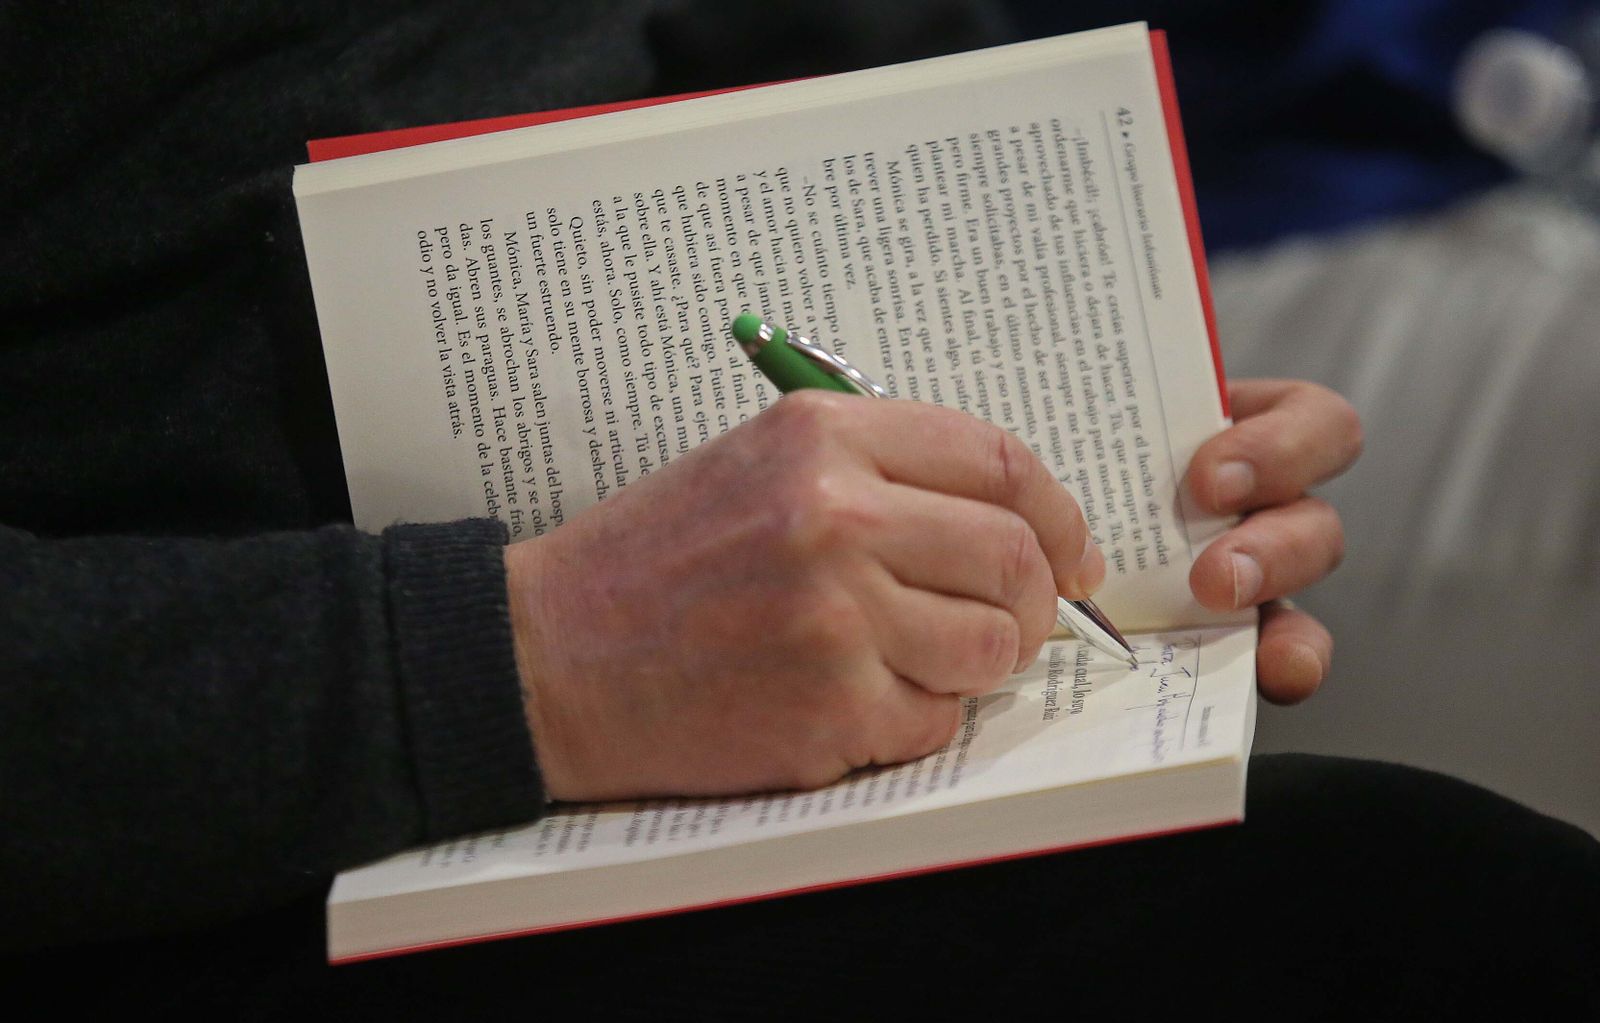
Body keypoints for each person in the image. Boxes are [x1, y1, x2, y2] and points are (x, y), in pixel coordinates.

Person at [2, 2, 1595, 1017]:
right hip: (240, 824)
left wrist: (1087, 364)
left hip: (629, 608)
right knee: (1421, 926)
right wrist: (532, 659)